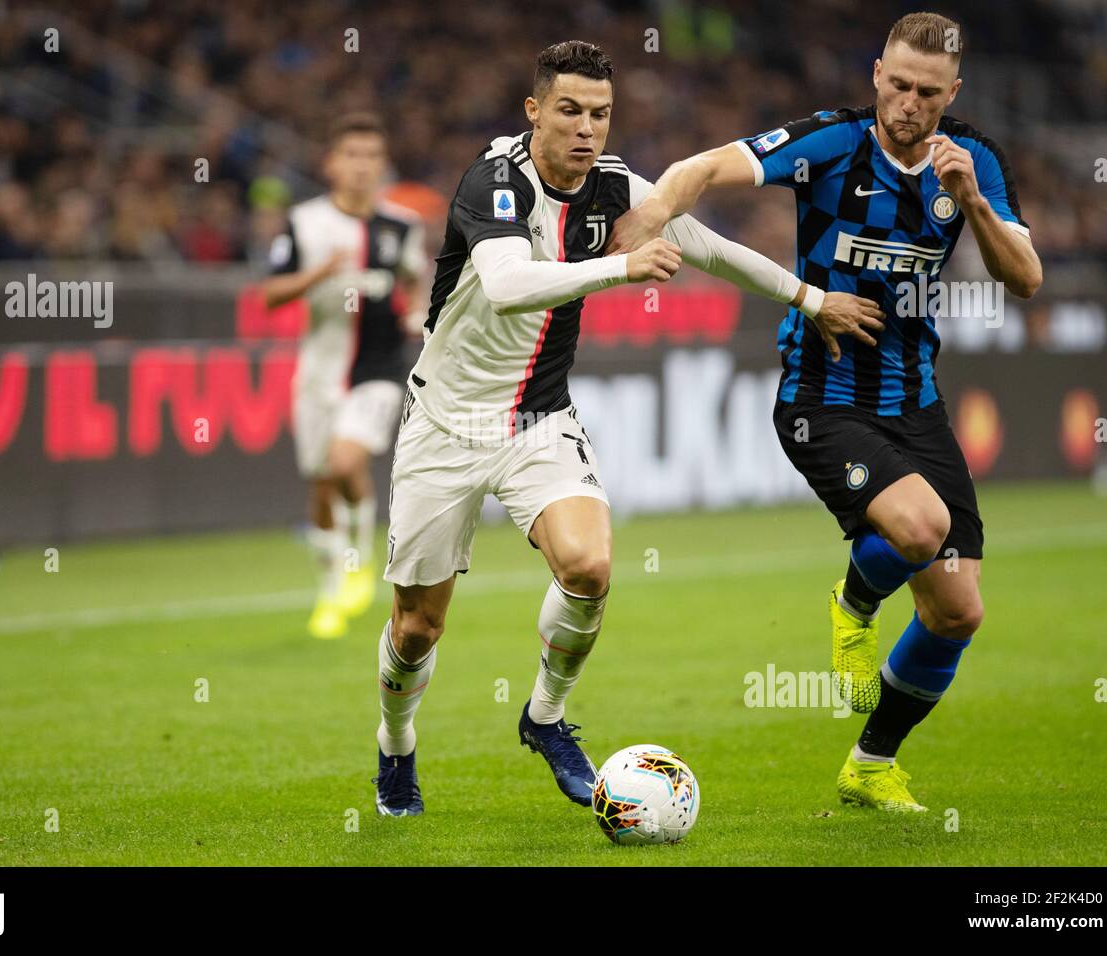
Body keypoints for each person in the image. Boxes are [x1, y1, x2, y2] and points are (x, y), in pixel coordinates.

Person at [372, 40, 881, 816]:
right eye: (569, 110)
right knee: (417, 628)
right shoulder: (494, 181)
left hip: (537, 419)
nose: (586, 129)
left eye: (601, 114)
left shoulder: (615, 189)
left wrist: (810, 300)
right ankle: (396, 745)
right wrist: (622, 268)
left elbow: (711, 249)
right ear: (534, 109)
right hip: (444, 421)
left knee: (589, 568)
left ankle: (544, 719)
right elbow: (508, 285)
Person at [609, 12, 1042, 812]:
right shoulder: (833, 143)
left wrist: (973, 205)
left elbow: (1026, 279)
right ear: (877, 73)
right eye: (900, 85)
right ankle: (853, 603)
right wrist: (655, 209)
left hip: (915, 401)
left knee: (957, 611)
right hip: (822, 394)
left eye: (929, 93)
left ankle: (870, 764)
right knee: (919, 528)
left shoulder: (973, 160)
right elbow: (704, 165)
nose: (910, 104)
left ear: (954, 93)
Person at [263, 114, 428, 640]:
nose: (361, 166)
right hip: (319, 369)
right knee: (320, 482)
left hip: (378, 367)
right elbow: (270, 294)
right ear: (332, 163)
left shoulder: (401, 225)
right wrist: (320, 273)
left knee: (344, 460)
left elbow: (416, 278)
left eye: (371, 156)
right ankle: (329, 591)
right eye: (351, 155)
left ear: (382, 166)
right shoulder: (305, 223)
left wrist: (417, 313)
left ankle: (359, 562)